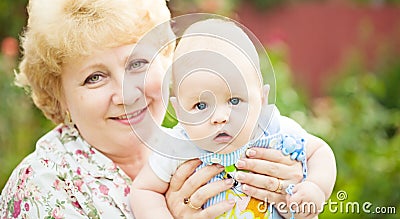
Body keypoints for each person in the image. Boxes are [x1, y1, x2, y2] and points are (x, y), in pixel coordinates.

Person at [0, 0, 332, 219]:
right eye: (94, 78)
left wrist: (295, 189)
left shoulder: (203, 135)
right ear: (61, 99)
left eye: (137, 64)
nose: (127, 94)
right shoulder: (43, 185)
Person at [131, 19, 336, 218]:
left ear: (262, 100)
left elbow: (319, 151)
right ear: (179, 112)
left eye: (235, 100)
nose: (220, 117)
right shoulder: (176, 148)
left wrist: (315, 187)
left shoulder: (272, 130)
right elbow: (145, 191)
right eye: (201, 106)